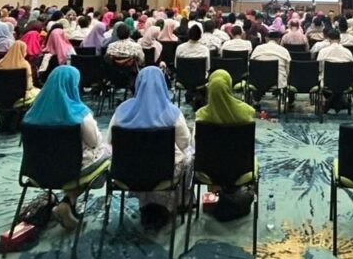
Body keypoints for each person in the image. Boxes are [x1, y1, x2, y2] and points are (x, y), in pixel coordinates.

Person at [22, 64, 109, 230]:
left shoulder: (30, 114)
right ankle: (69, 201)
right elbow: (94, 143)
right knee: (107, 152)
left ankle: (69, 201)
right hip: (71, 170)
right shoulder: (80, 115)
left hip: (37, 171)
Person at [109, 65, 193, 230]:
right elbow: (184, 143)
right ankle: (180, 203)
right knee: (190, 155)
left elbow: (110, 142)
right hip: (164, 173)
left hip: (127, 172)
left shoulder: (121, 111)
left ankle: (146, 203)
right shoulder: (172, 113)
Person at [195, 68, 257, 220]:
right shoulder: (246, 113)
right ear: (230, 87)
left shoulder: (201, 116)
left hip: (208, 172)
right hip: (241, 170)